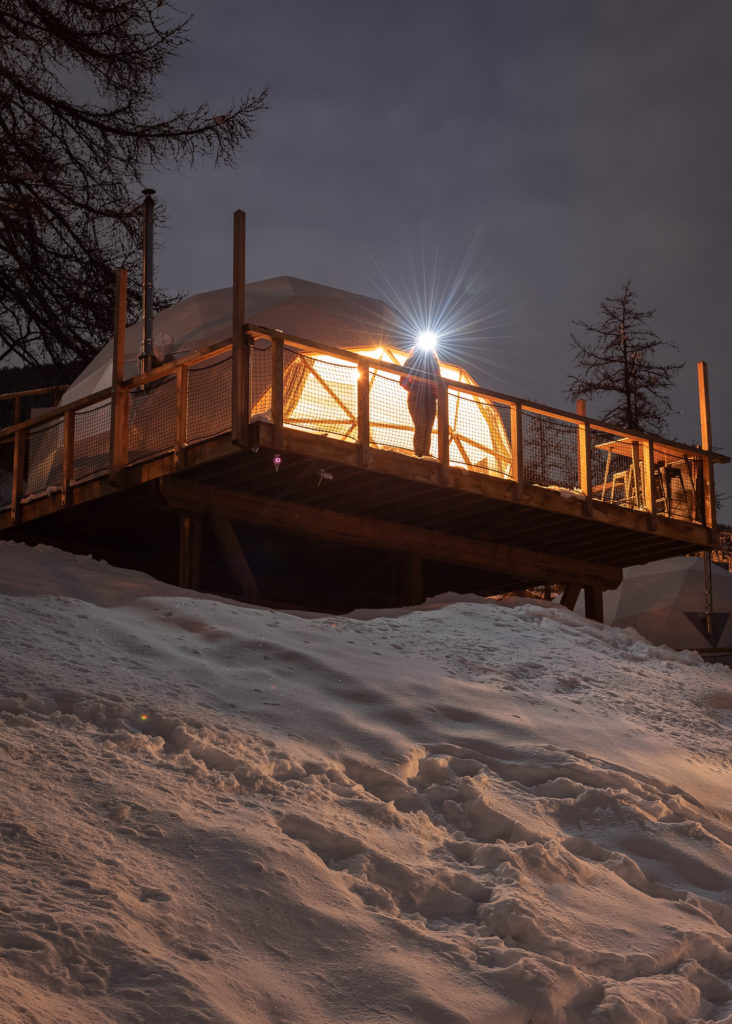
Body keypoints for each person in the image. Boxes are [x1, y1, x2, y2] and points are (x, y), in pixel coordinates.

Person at [400, 344, 440, 457]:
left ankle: (425, 455)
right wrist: (415, 390)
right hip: (416, 399)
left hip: (430, 401)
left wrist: (435, 393)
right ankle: (419, 454)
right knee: (421, 426)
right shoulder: (412, 362)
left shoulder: (434, 364)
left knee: (428, 429)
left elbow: (439, 382)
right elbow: (403, 381)